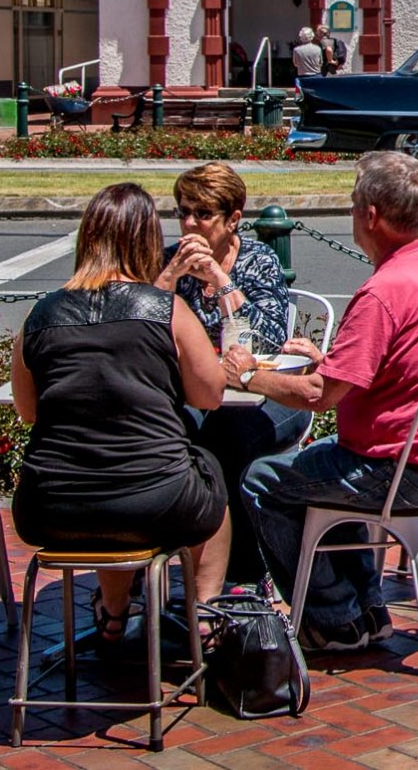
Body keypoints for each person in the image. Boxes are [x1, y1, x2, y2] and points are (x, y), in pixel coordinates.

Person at [234, 152, 418, 652]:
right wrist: (327, 357)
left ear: (370, 215)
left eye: (352, 205)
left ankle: (333, 618)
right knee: (314, 472)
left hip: (398, 474)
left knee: (263, 481)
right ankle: (366, 607)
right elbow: (389, 368)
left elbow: (317, 396)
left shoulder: (384, 291)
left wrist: (245, 375)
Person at [11, 184, 231, 640]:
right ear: (147, 240)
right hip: (153, 500)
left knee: (109, 500)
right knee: (210, 473)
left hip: (49, 506)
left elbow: (28, 412)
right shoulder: (165, 311)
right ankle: (203, 617)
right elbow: (210, 396)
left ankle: (114, 615)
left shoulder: (38, 317)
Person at [158, 163, 302, 586]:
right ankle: (176, 561)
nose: (189, 224)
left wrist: (221, 280)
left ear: (233, 219)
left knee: (224, 443)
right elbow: (142, 326)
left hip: (268, 395)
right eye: (183, 212)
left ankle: (240, 576)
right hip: (198, 393)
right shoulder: (171, 263)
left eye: (202, 214)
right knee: (166, 433)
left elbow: (269, 339)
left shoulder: (258, 261)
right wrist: (169, 278)